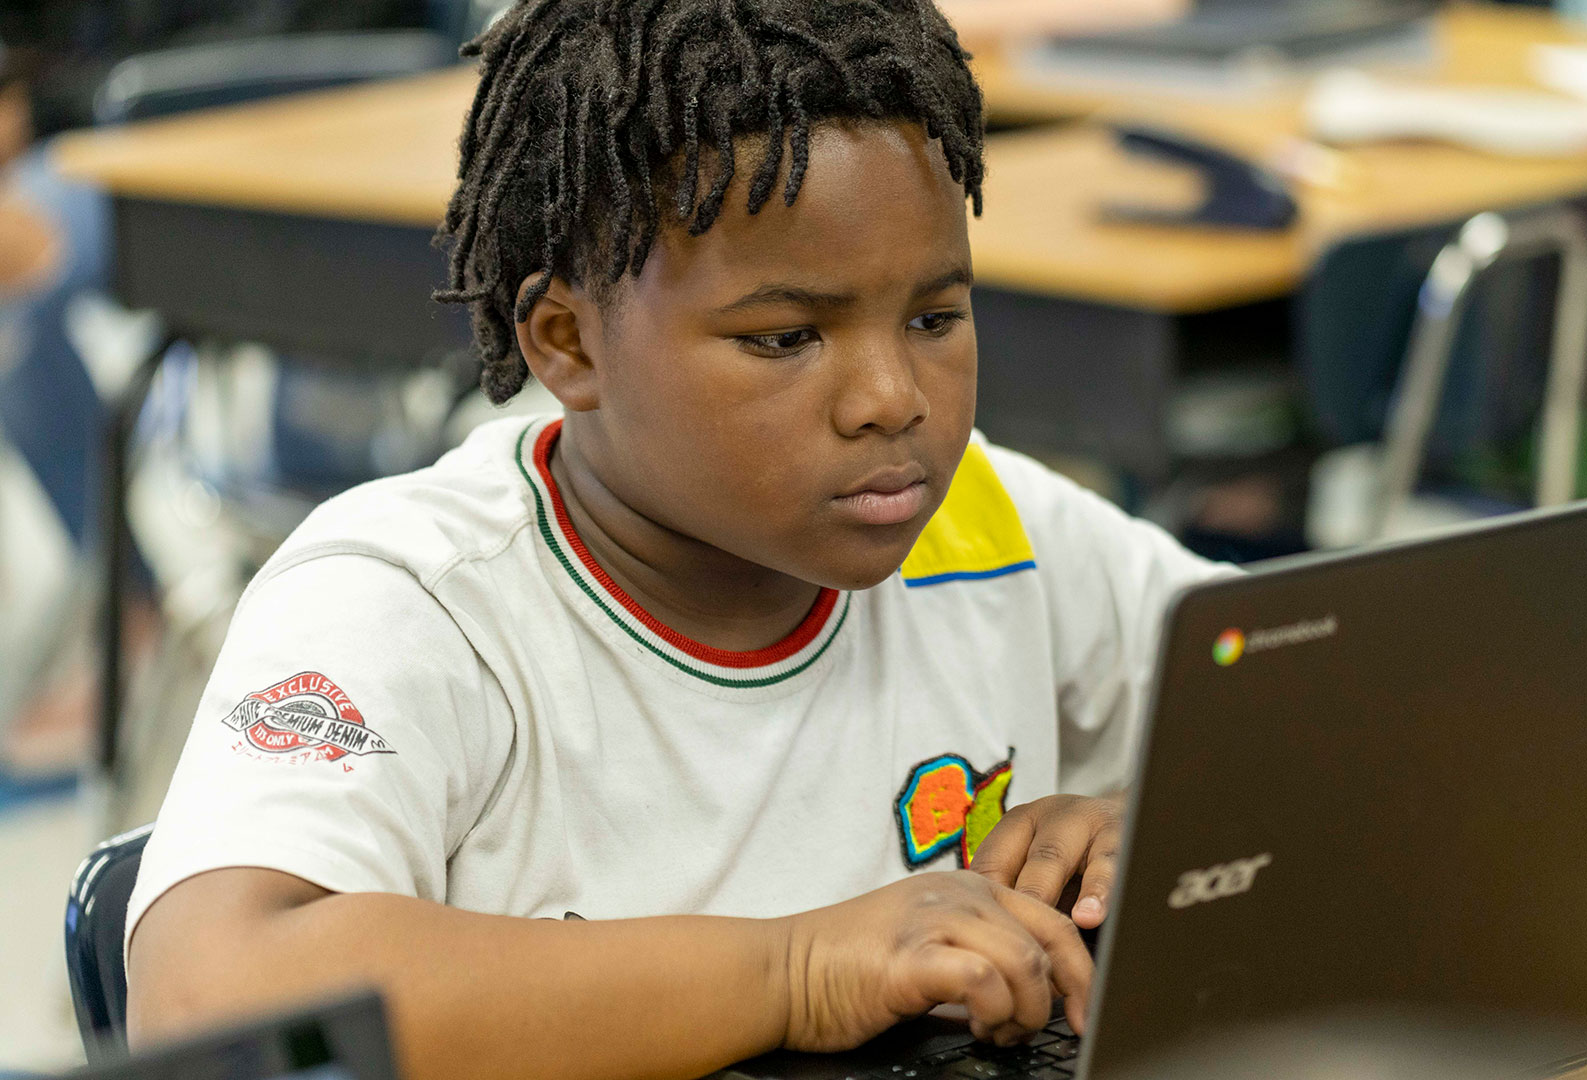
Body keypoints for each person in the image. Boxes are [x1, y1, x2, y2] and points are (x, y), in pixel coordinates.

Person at [123, 3, 1233, 1080]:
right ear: (568, 342)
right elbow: (208, 999)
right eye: (787, 336)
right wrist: (796, 970)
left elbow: (1337, 696)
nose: (893, 400)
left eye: (934, 318)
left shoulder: (978, 525)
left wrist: (1159, 823)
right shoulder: (417, 603)